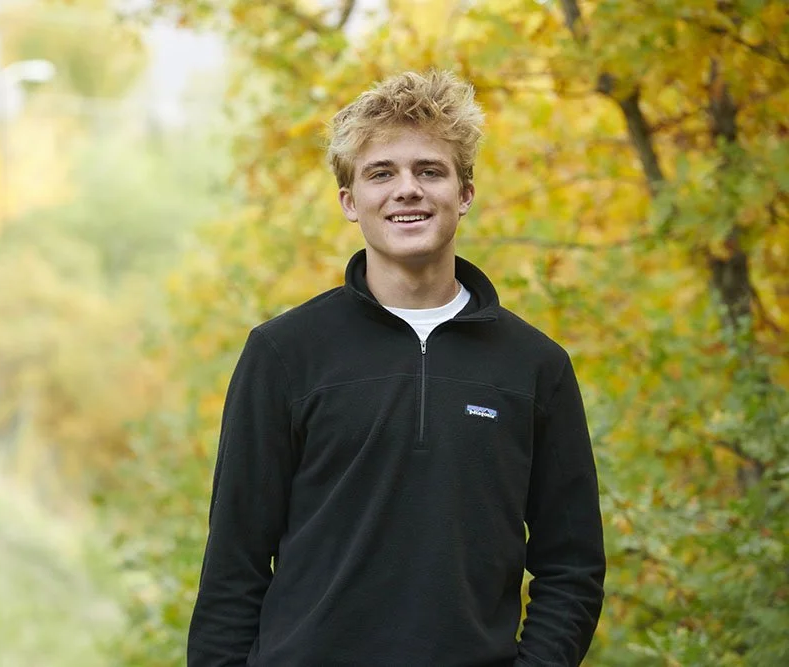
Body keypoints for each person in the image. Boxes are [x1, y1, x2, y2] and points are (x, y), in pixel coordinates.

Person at [187, 70, 605, 667]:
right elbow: (234, 565)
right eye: (381, 173)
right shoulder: (284, 353)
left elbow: (573, 566)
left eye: (429, 171)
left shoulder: (535, 367)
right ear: (350, 202)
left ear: (464, 194)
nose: (406, 189)